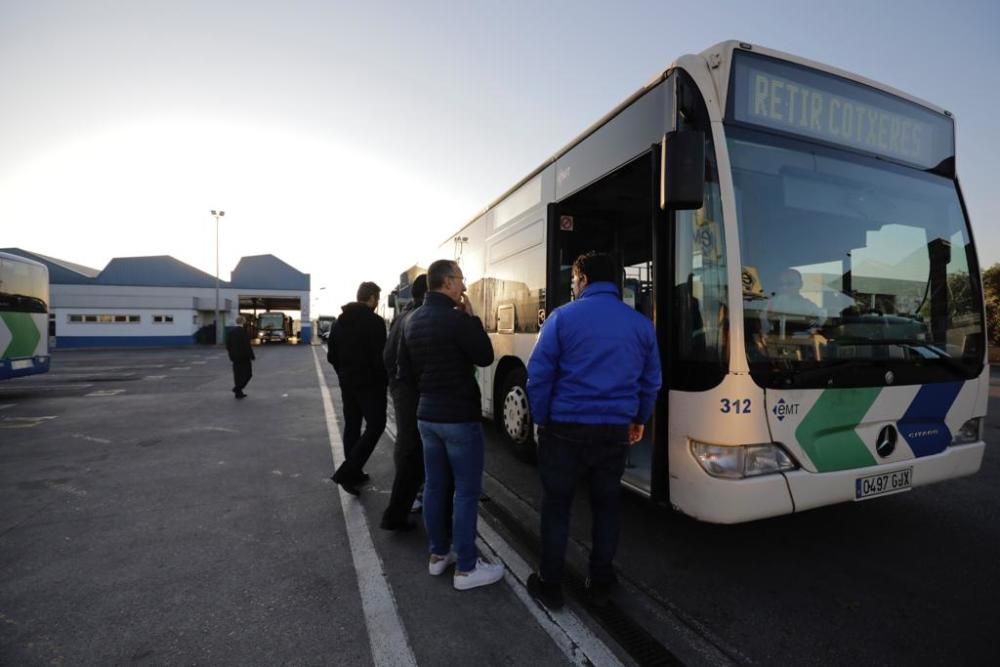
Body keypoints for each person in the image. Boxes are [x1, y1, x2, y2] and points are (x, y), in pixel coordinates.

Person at [525, 251, 662, 610]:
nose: (573, 285)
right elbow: (651, 382)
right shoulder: (641, 325)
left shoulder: (561, 318)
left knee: (557, 507)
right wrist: (638, 419)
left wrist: (541, 418)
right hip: (614, 431)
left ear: (583, 279)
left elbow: (539, 375)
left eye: (573, 279)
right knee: (606, 506)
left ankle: (550, 585)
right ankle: (600, 579)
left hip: (564, 430)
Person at [397, 259, 504, 590]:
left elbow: (406, 371)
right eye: (460, 280)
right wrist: (472, 319)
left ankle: (438, 555)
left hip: (427, 416)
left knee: (434, 486)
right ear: (446, 283)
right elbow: (485, 356)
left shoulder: (411, 321)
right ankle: (467, 568)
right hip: (458, 417)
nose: (464, 285)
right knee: (465, 493)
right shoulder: (458, 320)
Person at [380, 274, 432, 531]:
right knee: (413, 448)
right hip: (411, 392)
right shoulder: (418, 317)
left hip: (402, 390)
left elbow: (388, 357)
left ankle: (408, 501)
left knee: (408, 445)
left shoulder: (402, 317)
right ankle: (402, 507)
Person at [328, 281, 388, 495]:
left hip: (347, 383)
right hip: (371, 384)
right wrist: (383, 380)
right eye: (377, 298)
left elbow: (331, 355)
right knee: (376, 425)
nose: (377, 302)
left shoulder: (339, 322)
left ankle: (354, 473)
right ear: (371, 298)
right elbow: (381, 358)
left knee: (352, 426)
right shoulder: (375, 322)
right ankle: (349, 471)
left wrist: (343, 372)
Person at [761, 268, 824, 337]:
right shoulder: (771, 304)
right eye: (781, 284)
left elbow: (819, 324)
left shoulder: (809, 306)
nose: (784, 287)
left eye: (790, 284)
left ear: (800, 285)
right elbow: (764, 328)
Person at [225, 316, 255, 399]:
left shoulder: (231, 332)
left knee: (237, 375)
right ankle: (237, 388)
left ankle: (238, 393)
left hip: (234, 357)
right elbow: (247, 346)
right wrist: (251, 356)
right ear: (243, 322)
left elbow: (228, 345)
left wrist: (231, 355)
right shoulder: (243, 332)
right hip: (244, 357)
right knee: (248, 374)